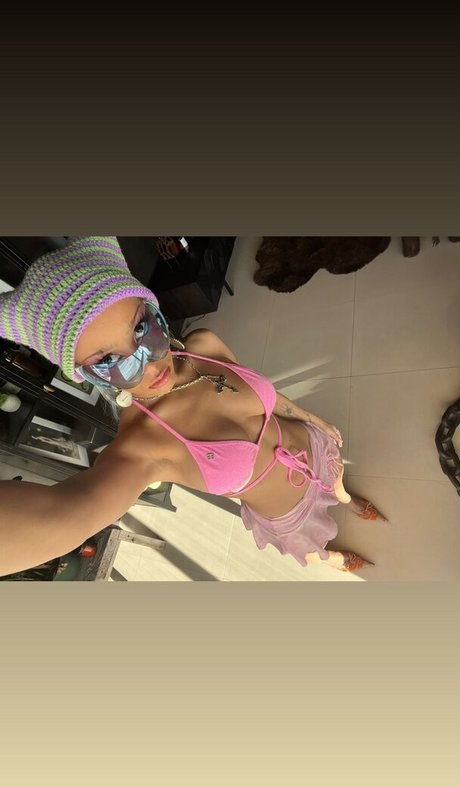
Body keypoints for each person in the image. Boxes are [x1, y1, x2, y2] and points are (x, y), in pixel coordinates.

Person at [0, 236, 386, 578]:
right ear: (90, 377)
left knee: (338, 486)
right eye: (110, 361)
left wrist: (310, 417)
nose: (152, 365)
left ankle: (348, 499)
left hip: (313, 446)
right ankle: (336, 559)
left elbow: (264, 395)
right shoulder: (141, 450)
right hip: (286, 515)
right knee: (314, 552)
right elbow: (59, 519)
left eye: (143, 328)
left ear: (153, 308)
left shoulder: (203, 346)